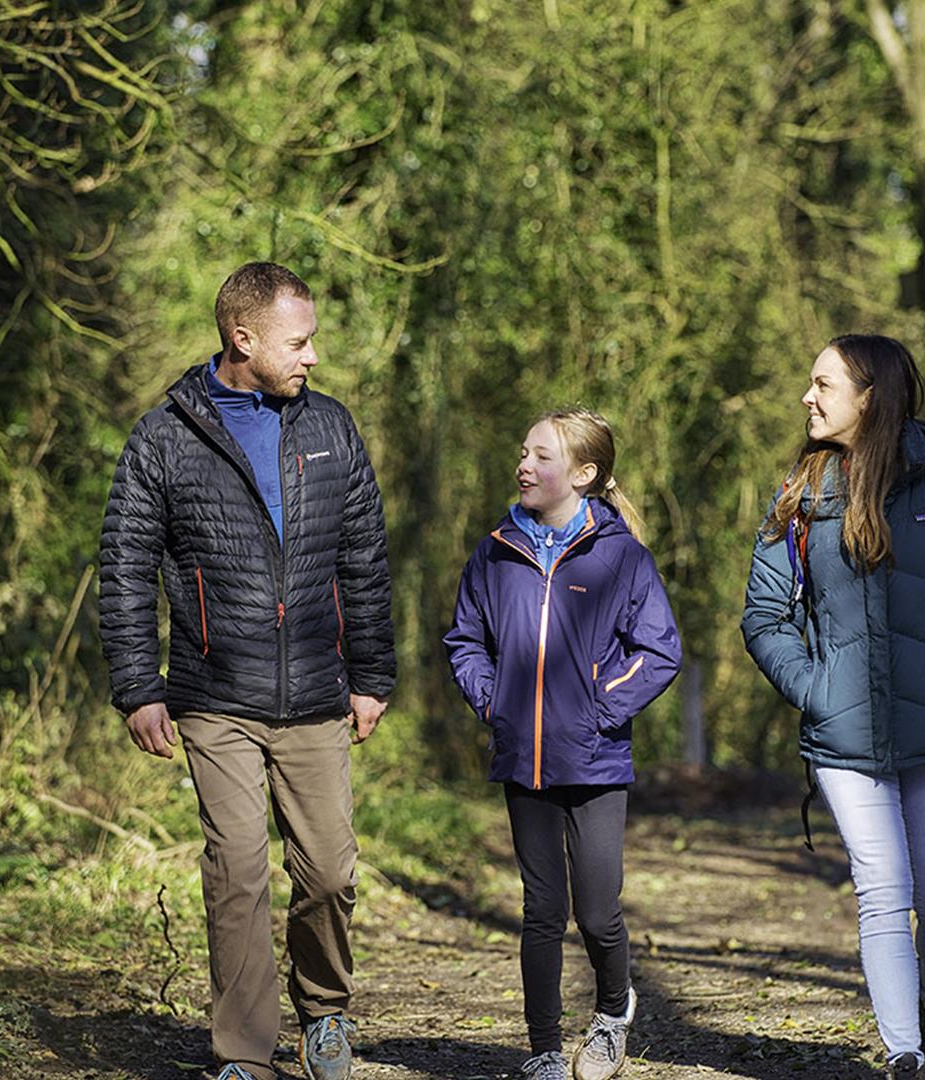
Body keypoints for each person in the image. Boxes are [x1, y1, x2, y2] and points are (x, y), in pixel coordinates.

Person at [98, 262, 394, 1080]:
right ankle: (245, 1055)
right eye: (299, 342)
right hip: (211, 694)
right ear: (243, 339)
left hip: (315, 694)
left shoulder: (333, 428)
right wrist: (138, 686)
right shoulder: (165, 438)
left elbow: (364, 560)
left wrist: (371, 676)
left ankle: (325, 1015)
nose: (313, 356)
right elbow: (124, 564)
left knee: (329, 871)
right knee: (236, 872)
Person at [741, 335, 925, 1080]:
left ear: (870, 396)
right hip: (844, 740)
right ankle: (904, 1056)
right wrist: (816, 690)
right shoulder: (799, 496)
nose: (807, 397)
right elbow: (764, 617)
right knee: (881, 892)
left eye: (822, 384)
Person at [444, 409, 682, 1080]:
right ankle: (543, 1048)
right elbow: (465, 640)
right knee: (542, 910)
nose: (524, 465)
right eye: (524, 452)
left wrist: (603, 708)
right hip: (524, 759)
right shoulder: (494, 552)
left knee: (599, 913)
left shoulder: (621, 556)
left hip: (597, 759)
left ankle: (611, 1015)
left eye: (542, 457)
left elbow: (659, 650)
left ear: (583, 474)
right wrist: (493, 700)